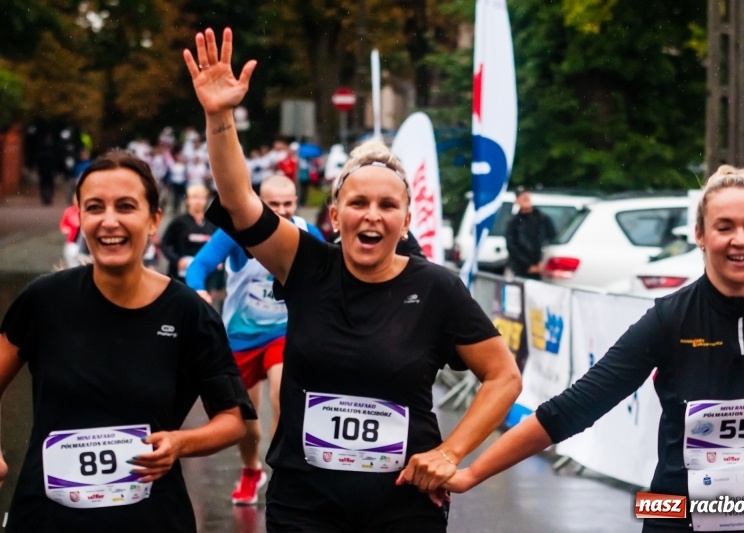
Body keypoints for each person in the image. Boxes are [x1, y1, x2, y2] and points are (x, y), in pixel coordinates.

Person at [184, 27, 521, 531]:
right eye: (358, 203)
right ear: (335, 215)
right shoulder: (305, 264)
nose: (372, 215)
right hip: (305, 507)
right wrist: (219, 117)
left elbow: (504, 377)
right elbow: (238, 201)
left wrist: (451, 452)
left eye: (388, 205)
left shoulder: (437, 289)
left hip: (403, 508)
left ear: (406, 221)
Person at [444, 165, 744, 532]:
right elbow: (574, 407)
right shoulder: (669, 318)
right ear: (700, 234)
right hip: (675, 514)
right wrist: (470, 473)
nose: (740, 240)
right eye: (724, 227)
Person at [0, 148, 255, 531]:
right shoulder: (44, 300)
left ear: (154, 220)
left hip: (151, 519)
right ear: (80, 217)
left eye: (125, 206)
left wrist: (180, 443)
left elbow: (232, 420)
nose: (109, 221)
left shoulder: (189, 313)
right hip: (48, 518)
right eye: (95, 208)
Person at [185, 175, 324, 505]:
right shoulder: (236, 231)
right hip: (240, 336)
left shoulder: (306, 232)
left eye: (288, 204)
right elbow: (198, 266)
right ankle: (251, 469)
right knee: (245, 419)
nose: (281, 211)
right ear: (260, 203)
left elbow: (331, 270)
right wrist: (198, 291)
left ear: (296, 202)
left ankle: (281, 473)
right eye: (273, 205)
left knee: (281, 394)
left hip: (283, 333)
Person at [160, 183, 218, 284]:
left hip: (204, 275)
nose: (198, 202)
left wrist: (217, 261)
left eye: (201, 198)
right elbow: (165, 244)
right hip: (180, 275)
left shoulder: (212, 224)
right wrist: (177, 260)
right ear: (187, 200)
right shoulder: (179, 222)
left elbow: (218, 247)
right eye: (194, 198)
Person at [504, 188, 555, 279]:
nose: (525, 198)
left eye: (527, 196)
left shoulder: (542, 219)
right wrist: (527, 265)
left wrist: (542, 261)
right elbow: (512, 246)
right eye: (522, 197)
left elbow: (551, 238)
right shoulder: (514, 222)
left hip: (541, 266)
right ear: (516, 201)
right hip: (521, 268)